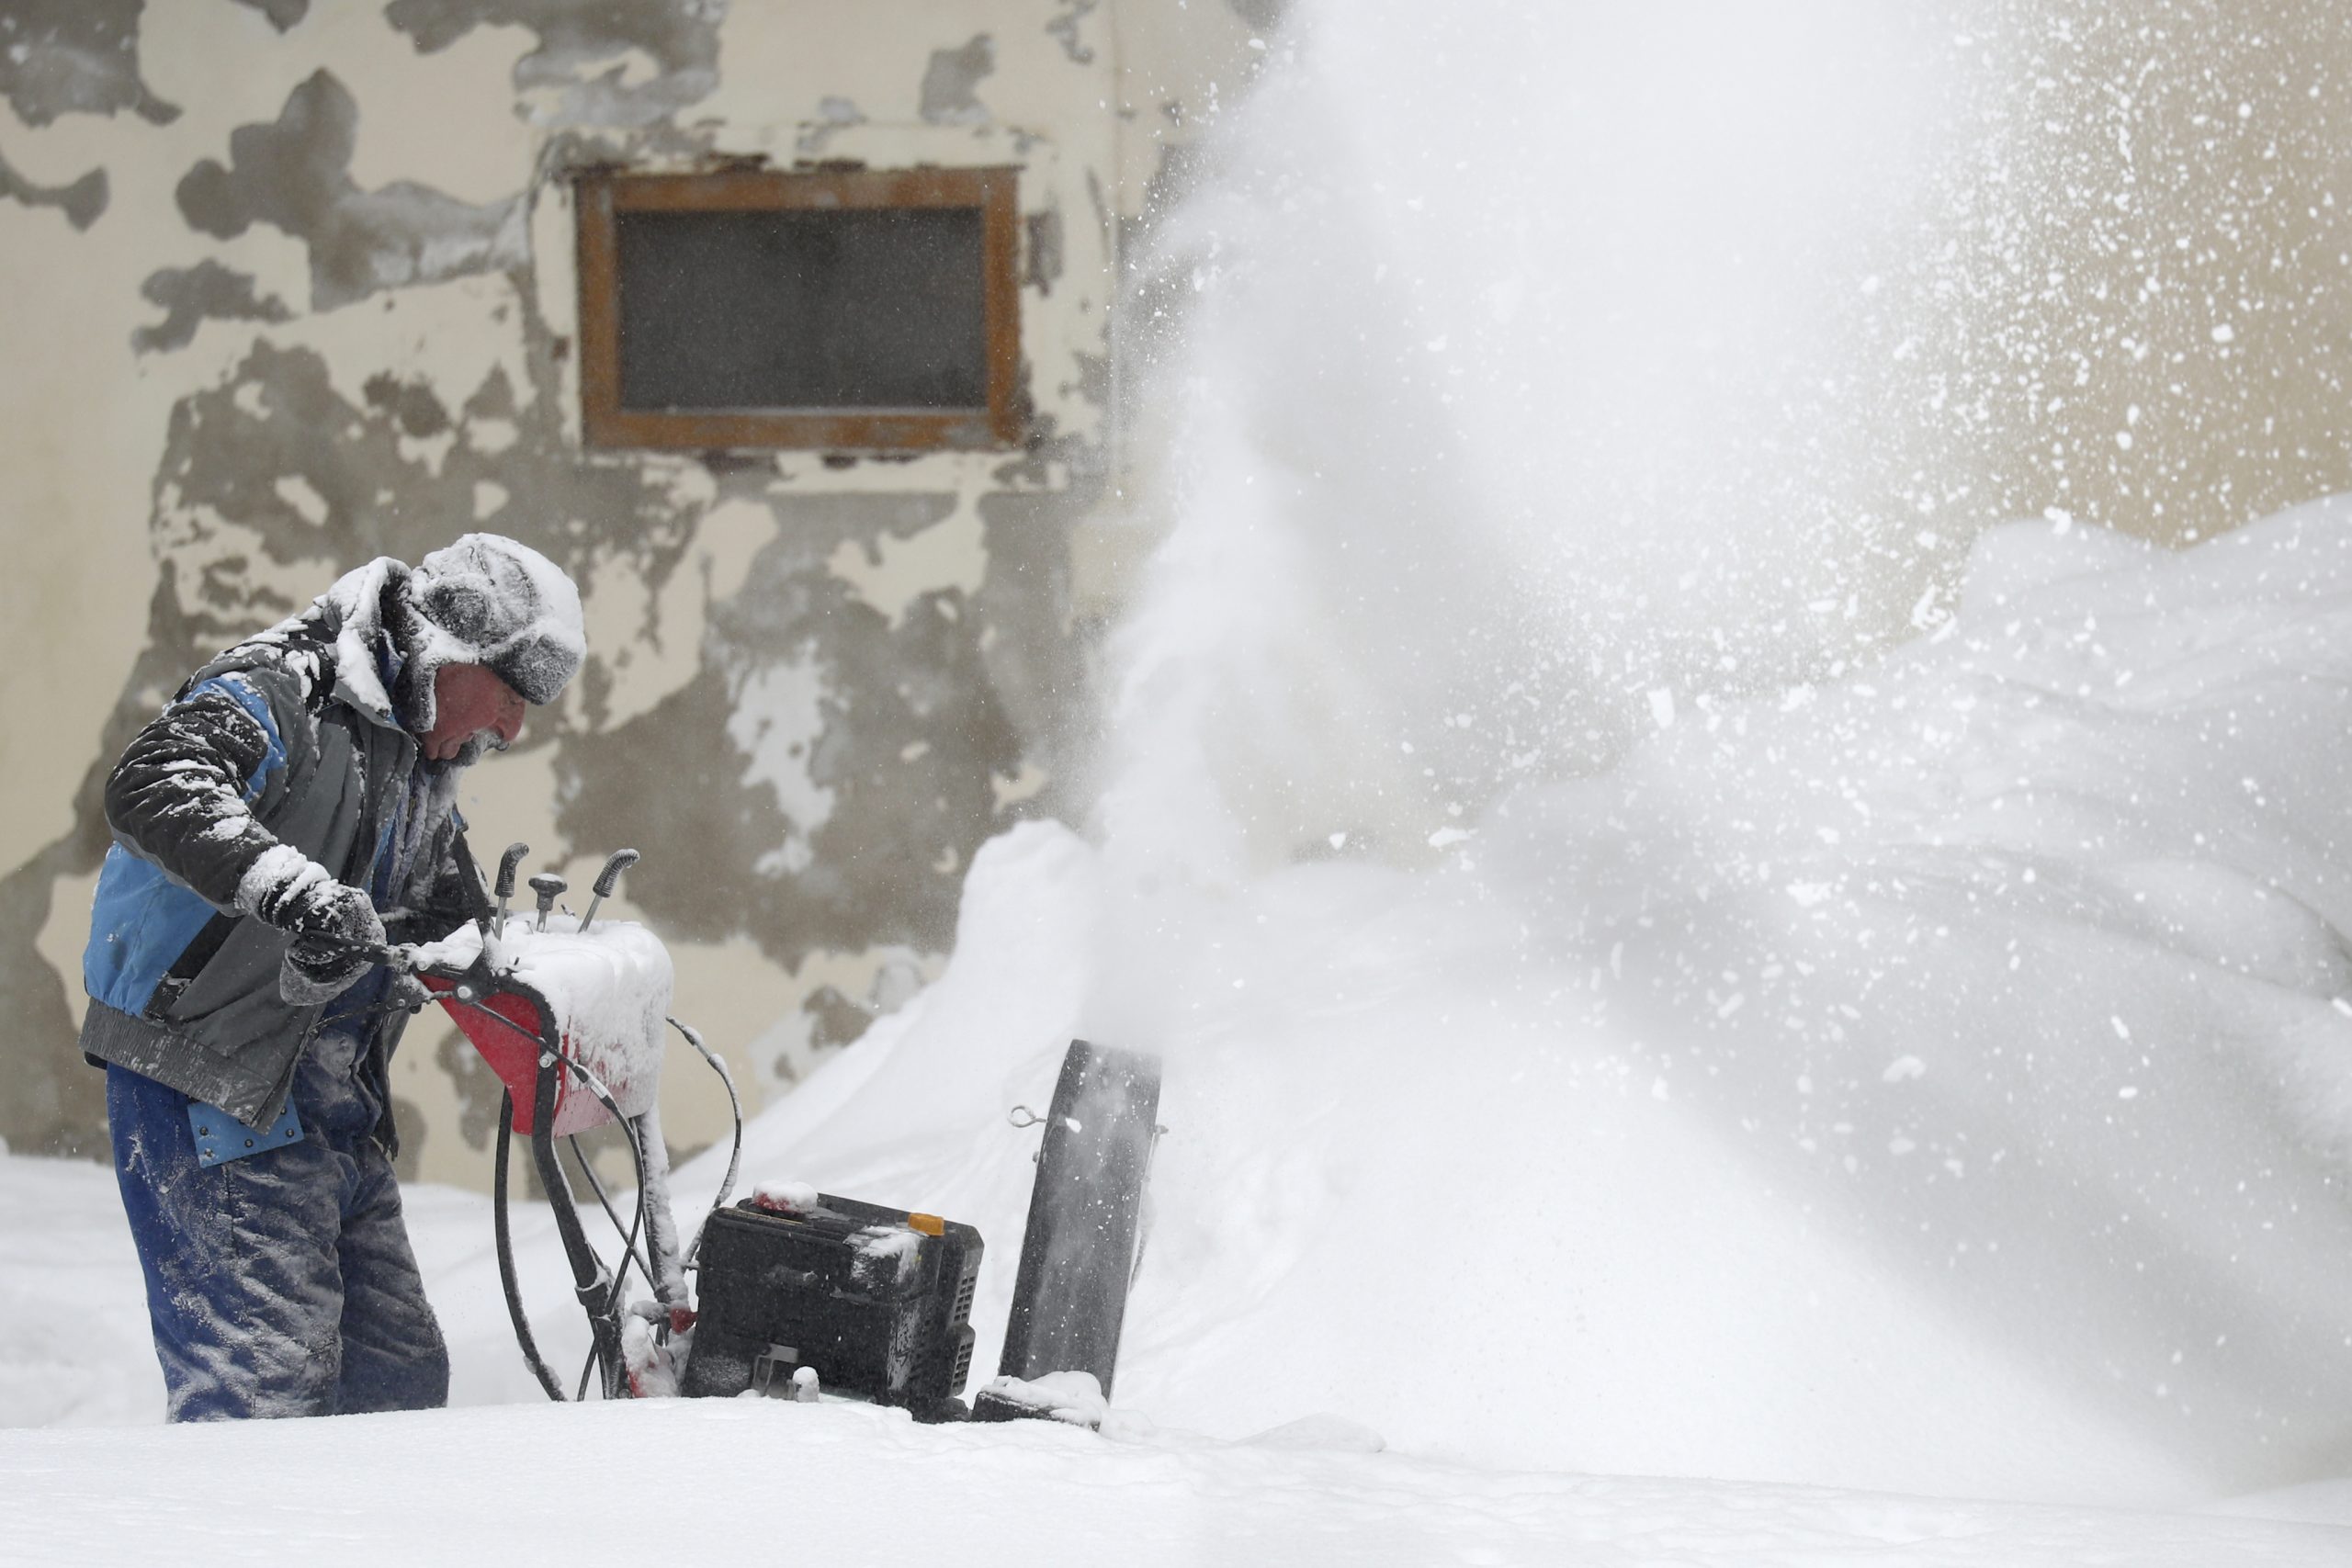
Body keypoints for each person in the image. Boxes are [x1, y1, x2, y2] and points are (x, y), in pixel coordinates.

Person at [79, 533, 584, 1420]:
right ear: (447, 653)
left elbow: (422, 911)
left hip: (333, 1097)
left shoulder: (420, 751)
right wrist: (296, 895)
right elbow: (153, 781)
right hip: (214, 1082)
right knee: (262, 1399)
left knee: (392, 1379)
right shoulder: (284, 686)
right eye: (508, 697)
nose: (512, 730)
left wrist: (527, 955)